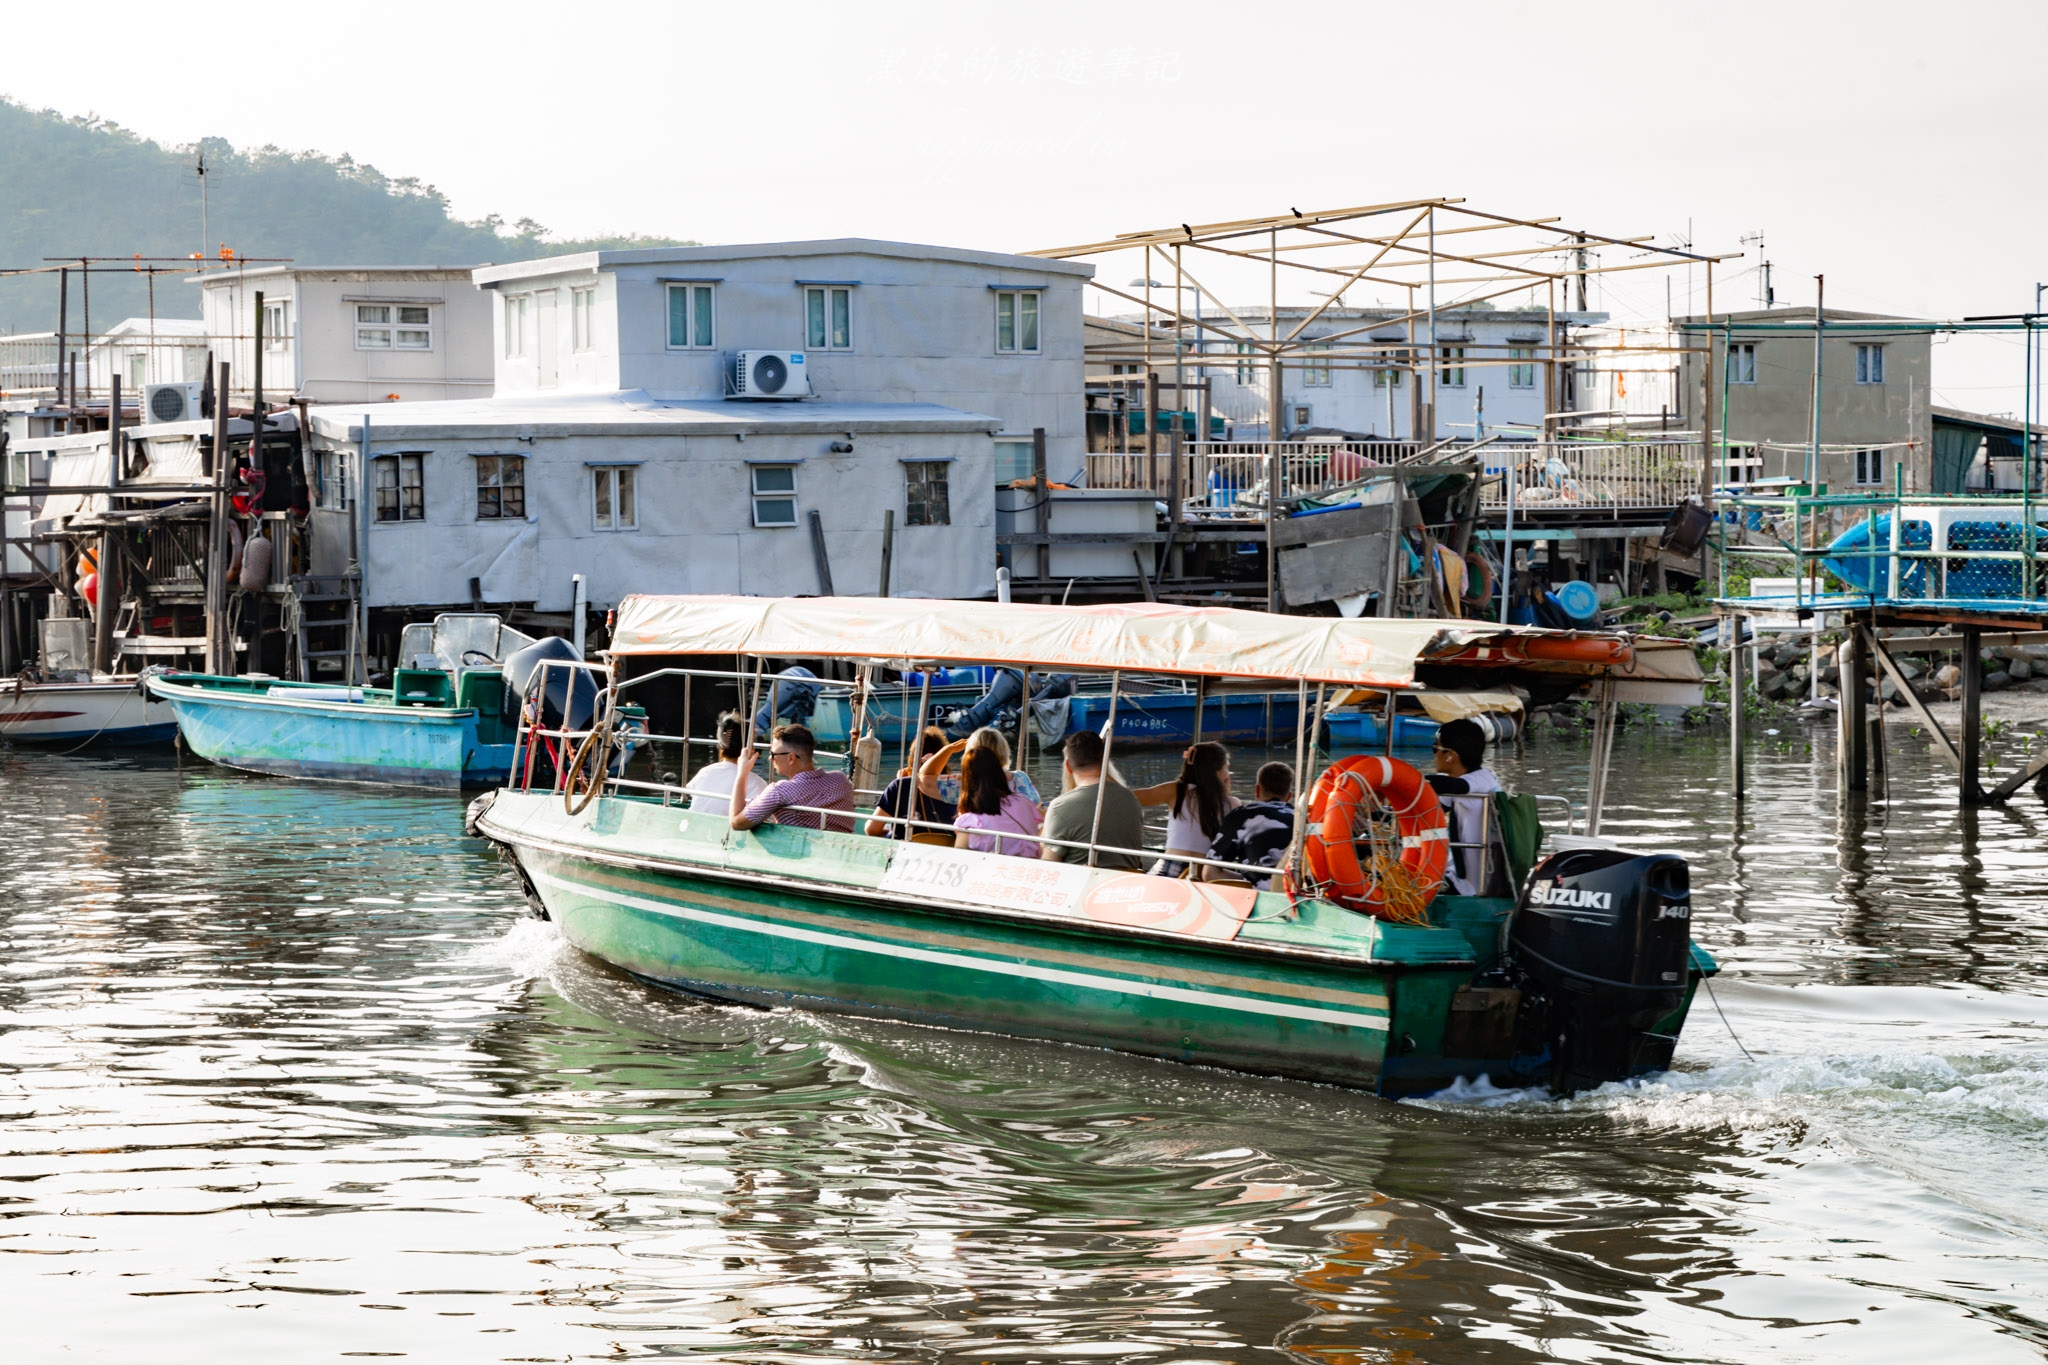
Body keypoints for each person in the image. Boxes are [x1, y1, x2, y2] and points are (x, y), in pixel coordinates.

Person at [1038, 730, 1146, 869]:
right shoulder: (1131, 799)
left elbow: (1049, 866)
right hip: (1126, 884)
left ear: (1068, 766)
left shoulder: (1060, 807)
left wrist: (1045, 830)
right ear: (1104, 762)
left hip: (1083, 886)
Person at [1131, 741, 1237, 877]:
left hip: (1169, 867)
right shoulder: (1232, 804)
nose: (1228, 774)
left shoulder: (1176, 791)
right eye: (1226, 768)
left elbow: (1129, 797)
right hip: (1203, 874)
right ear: (1216, 771)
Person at [1426, 717, 1504, 896]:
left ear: (1450, 755)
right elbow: (1431, 809)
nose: (1434, 755)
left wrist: (1406, 779)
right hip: (1455, 875)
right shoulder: (1459, 785)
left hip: (1472, 886)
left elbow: (1456, 787)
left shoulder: (1483, 779)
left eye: (1435, 749)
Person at [731, 723, 856, 833]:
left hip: (804, 854)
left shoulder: (780, 791)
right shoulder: (841, 779)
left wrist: (742, 774)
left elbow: (736, 822)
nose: (770, 758)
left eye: (773, 754)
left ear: (791, 758)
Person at [1203, 761, 1296, 889]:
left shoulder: (1242, 814)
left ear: (1257, 790)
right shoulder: (1300, 819)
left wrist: (1251, 881)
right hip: (1295, 893)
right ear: (1289, 796)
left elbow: (1209, 874)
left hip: (1257, 898)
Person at [866, 726, 957, 840]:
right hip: (946, 849)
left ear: (913, 757)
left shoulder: (899, 786)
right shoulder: (955, 785)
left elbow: (872, 829)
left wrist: (901, 784)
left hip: (906, 850)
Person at [918, 726, 1041, 808]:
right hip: (1023, 844)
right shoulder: (1021, 778)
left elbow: (923, 779)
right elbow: (1038, 808)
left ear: (970, 754)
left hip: (981, 844)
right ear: (1004, 750)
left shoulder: (964, 784)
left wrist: (949, 749)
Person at [952, 747, 1043, 858]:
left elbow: (959, 857)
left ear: (967, 778)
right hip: (1030, 867)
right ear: (999, 771)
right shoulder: (1023, 802)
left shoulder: (970, 821)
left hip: (993, 870)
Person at [685, 712, 768, 812]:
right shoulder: (758, 784)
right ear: (751, 750)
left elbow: (690, 791)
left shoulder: (705, 772)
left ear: (721, 746)